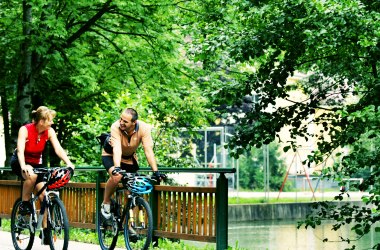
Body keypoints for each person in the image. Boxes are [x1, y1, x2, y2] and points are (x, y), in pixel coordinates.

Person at [11, 106, 75, 244]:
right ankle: (24, 205)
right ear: (41, 121)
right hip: (20, 161)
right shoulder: (25, 129)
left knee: (43, 196)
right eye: (50, 120)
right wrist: (24, 166)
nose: (52, 123)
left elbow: (58, 148)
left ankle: (46, 231)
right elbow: (20, 150)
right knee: (31, 176)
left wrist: (69, 163)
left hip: (36, 163)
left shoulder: (49, 131)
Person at [101, 108, 163, 219]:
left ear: (134, 122)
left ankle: (128, 225)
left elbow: (148, 150)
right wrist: (117, 168)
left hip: (129, 158)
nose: (121, 123)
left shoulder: (144, 128)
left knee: (132, 188)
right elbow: (117, 149)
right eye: (121, 119)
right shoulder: (115, 127)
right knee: (117, 176)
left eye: (125, 121)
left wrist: (156, 171)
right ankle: (105, 202)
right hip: (110, 155)